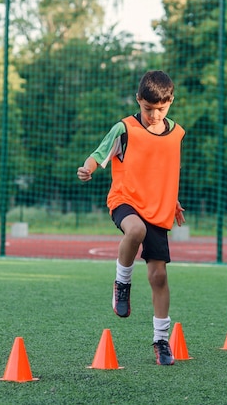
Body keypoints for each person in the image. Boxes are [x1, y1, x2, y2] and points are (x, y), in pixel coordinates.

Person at [77, 70, 185, 365]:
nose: (153, 114)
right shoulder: (124, 129)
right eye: (148, 108)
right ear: (139, 100)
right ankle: (122, 282)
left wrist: (172, 201)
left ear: (170, 102)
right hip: (125, 201)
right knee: (134, 230)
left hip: (158, 209)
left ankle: (161, 341)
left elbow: (165, 171)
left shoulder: (176, 134)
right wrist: (88, 168)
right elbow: (99, 154)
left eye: (160, 109)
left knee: (159, 276)